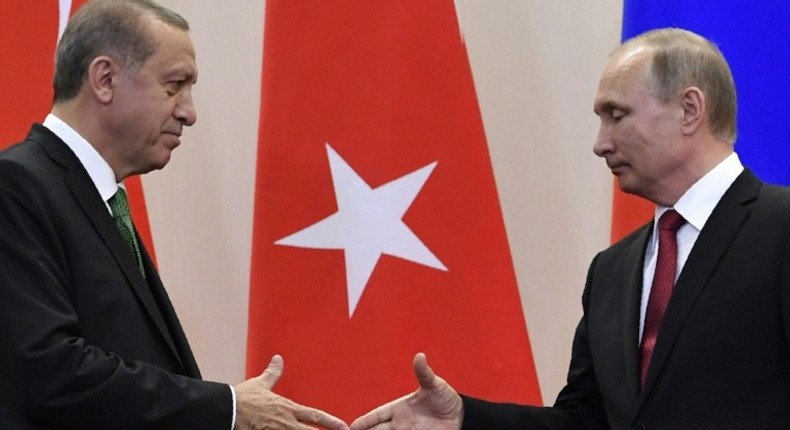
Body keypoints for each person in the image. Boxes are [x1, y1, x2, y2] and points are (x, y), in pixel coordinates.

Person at [350, 28, 790, 430]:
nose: (600, 143)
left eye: (616, 115)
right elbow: (585, 421)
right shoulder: (611, 271)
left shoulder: (780, 228)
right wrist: (465, 418)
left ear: (689, 110)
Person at [0, 1, 348, 429]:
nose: (189, 112)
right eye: (175, 85)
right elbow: (49, 372)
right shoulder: (16, 185)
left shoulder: (99, 200)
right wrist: (229, 409)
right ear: (105, 79)